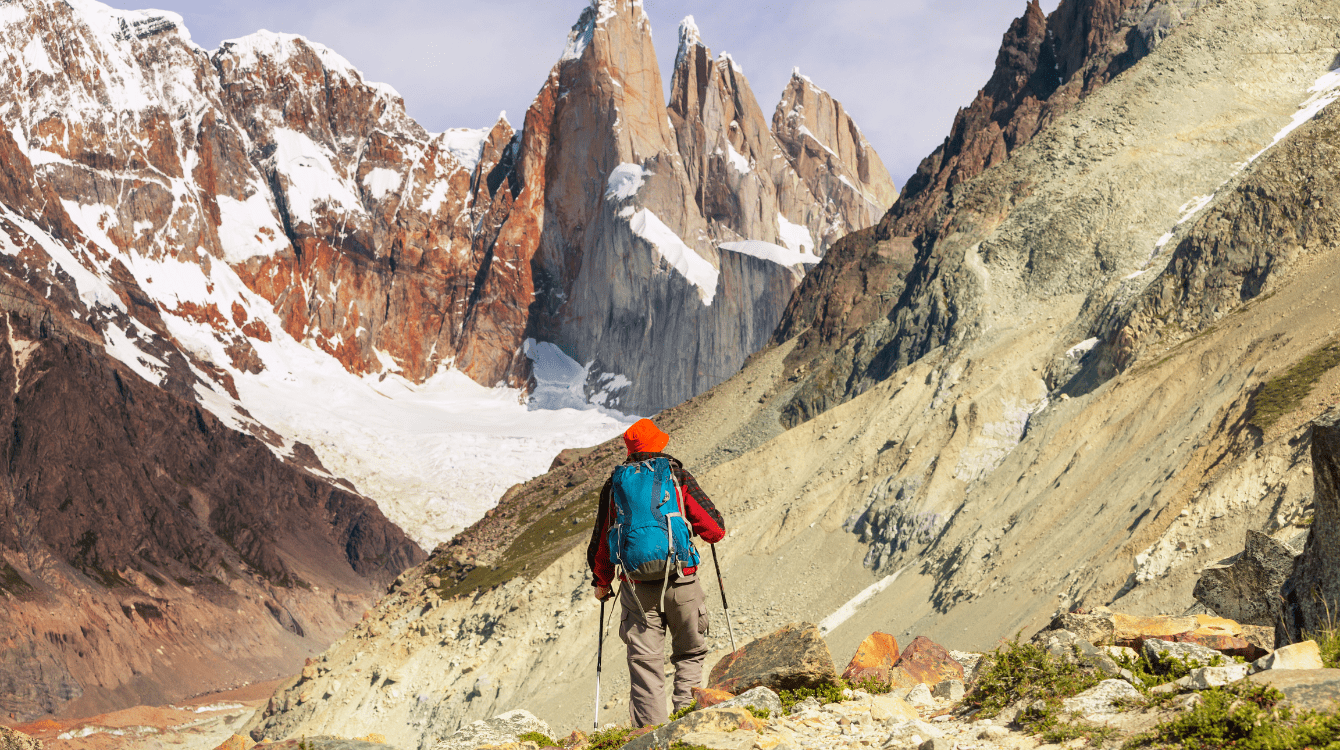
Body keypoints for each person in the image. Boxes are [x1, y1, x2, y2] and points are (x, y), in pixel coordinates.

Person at [587, 418, 726, 727]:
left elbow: (602, 540)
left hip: (636, 589)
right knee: (689, 654)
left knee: (645, 666)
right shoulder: (675, 475)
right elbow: (714, 530)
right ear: (658, 444)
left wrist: (601, 582)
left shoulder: (615, 485)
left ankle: (651, 738)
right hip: (681, 581)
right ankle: (688, 724)